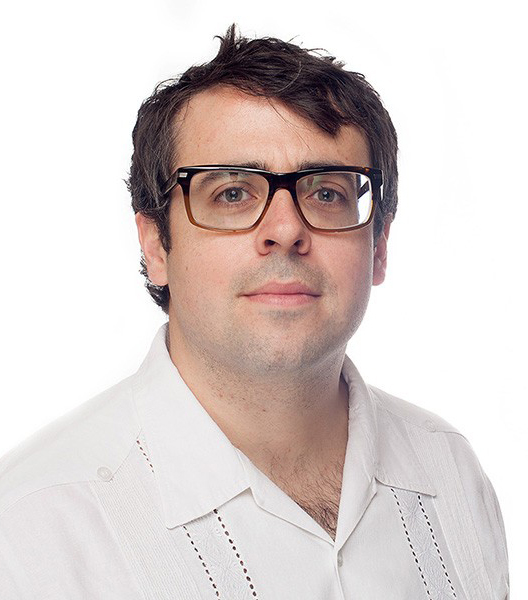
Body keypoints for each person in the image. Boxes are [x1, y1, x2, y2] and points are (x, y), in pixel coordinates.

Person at [0, 24, 509, 599]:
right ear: (156, 246)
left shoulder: (451, 472)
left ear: (379, 245)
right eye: (233, 193)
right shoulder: (30, 531)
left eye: (327, 192)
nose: (286, 230)